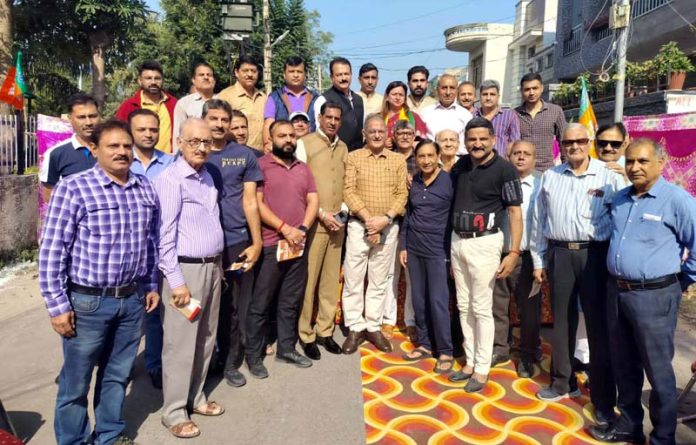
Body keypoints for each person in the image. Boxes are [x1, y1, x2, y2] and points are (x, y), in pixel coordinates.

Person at [39, 120, 160, 445]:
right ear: (95, 150)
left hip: (132, 300)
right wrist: (57, 306)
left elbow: (150, 242)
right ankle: (73, 440)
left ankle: (108, 434)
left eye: (126, 145)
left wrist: (150, 284)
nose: (122, 152)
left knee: (116, 375)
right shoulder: (74, 188)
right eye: (113, 146)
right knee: (75, 383)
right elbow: (52, 250)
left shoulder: (144, 187)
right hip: (87, 303)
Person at [588, 138, 696, 445]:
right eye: (630, 161)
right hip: (617, 293)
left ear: (661, 163)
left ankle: (663, 437)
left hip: (656, 296)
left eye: (643, 161)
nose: (634, 167)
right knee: (624, 364)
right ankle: (629, 426)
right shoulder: (621, 199)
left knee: (658, 371)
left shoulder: (678, 201)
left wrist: (681, 281)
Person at [531, 124, 624, 427]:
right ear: (561, 144)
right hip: (559, 253)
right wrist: (538, 259)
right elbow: (538, 220)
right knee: (562, 322)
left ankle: (602, 398)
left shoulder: (608, 176)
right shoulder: (551, 177)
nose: (574, 146)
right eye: (568, 141)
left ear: (589, 142)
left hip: (594, 255)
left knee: (598, 327)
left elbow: (622, 217)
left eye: (580, 140)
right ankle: (562, 382)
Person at [155, 118, 225, 439]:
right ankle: (173, 411)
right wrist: (177, 281)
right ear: (179, 143)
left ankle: (195, 397)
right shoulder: (170, 180)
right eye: (194, 141)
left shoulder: (208, 176)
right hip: (185, 272)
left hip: (212, 268)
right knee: (180, 343)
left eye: (206, 142)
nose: (200, 147)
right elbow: (164, 236)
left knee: (206, 337)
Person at [447, 117, 523, 393]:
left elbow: (515, 211)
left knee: (481, 308)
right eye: (472, 139)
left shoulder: (505, 170)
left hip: (486, 243)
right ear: (465, 141)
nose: (477, 144)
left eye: (482, 139)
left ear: (492, 139)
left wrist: (513, 251)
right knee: (464, 306)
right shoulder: (461, 165)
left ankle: (481, 368)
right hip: (459, 242)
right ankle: (469, 361)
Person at [245, 120, 319, 377]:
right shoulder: (261, 166)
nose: (288, 140)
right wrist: (285, 228)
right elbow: (257, 203)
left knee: (290, 300)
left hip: (298, 244)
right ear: (271, 139)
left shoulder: (303, 168)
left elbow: (312, 199)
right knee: (261, 302)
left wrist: (303, 229)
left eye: (291, 135)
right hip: (271, 244)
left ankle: (286, 348)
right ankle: (253, 355)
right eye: (282, 136)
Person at [202, 99, 264, 387]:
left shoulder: (243, 155)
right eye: (213, 118)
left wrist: (257, 241)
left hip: (238, 241)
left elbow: (250, 201)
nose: (219, 124)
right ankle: (209, 360)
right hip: (202, 246)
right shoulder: (194, 153)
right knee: (210, 307)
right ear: (204, 120)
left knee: (239, 305)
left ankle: (233, 361)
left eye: (223, 120)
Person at [341, 114, 408, 354]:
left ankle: (372, 326)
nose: (377, 135)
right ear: (364, 134)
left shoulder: (398, 160)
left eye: (381, 131)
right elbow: (348, 191)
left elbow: (403, 194)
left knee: (380, 281)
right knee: (354, 279)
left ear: (387, 134)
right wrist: (370, 221)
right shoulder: (353, 157)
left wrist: (385, 219)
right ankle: (355, 327)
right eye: (372, 131)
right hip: (360, 227)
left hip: (388, 228)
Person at [294, 102, 348, 359]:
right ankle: (306, 333)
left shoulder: (343, 147)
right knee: (310, 279)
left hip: (337, 223)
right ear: (320, 117)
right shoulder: (304, 144)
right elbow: (300, 186)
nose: (333, 122)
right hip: (316, 221)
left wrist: (341, 214)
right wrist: (321, 214)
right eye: (329, 117)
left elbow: (345, 183)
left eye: (337, 118)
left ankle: (325, 331)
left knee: (329, 281)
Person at [127, 109, 174, 390]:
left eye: (152, 129)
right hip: (126, 249)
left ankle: (154, 364)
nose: (148, 134)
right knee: (126, 315)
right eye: (142, 129)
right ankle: (120, 367)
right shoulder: (120, 162)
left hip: (159, 247)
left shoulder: (170, 163)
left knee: (154, 311)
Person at [399, 139, 455, 374]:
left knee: (438, 301)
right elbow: (408, 216)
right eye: (421, 156)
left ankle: (445, 350)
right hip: (414, 249)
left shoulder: (448, 182)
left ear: (438, 155)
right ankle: (424, 343)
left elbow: (454, 217)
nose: (426, 160)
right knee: (419, 300)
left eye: (430, 155)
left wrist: (452, 252)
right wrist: (403, 245)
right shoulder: (415, 181)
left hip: (438, 250)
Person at [490, 140, 542, 378]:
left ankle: (528, 355)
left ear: (534, 158)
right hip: (498, 253)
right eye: (516, 153)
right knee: (497, 305)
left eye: (526, 154)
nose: (521, 157)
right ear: (508, 157)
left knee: (528, 309)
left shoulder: (543, 184)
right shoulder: (499, 180)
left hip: (528, 256)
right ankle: (500, 348)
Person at [381, 120, 418, 341]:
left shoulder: (421, 156)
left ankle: (411, 321)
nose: (404, 136)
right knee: (389, 273)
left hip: (413, 221)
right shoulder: (387, 156)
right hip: (390, 220)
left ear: (415, 135)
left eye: (409, 133)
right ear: (393, 136)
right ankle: (388, 319)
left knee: (410, 274)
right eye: (400, 133)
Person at [40, 93, 100, 202]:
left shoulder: (114, 149)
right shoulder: (56, 154)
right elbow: (49, 197)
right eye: (81, 117)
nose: (88, 122)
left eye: (93, 116)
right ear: (70, 118)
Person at [115, 60, 177, 153]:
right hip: (137, 163)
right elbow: (118, 135)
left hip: (170, 162)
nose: (153, 82)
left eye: (157, 78)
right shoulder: (129, 106)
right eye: (148, 78)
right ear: (140, 81)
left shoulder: (174, 104)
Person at [263, 56, 319, 147]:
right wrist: (268, 145)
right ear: (284, 75)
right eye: (291, 71)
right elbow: (268, 125)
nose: (295, 75)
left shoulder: (316, 98)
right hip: (283, 149)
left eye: (299, 72)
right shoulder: (274, 97)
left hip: (311, 149)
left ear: (305, 75)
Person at [515, 72, 566, 171]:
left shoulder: (555, 111)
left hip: (547, 170)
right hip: (523, 170)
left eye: (535, 88)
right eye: (527, 89)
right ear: (521, 91)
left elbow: (563, 140)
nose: (531, 93)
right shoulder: (515, 114)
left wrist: (566, 167)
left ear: (542, 88)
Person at [313, 57, 365, 151]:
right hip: (335, 153)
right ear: (332, 77)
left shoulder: (358, 100)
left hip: (357, 156)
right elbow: (320, 133)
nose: (344, 78)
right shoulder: (323, 100)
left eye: (346, 74)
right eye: (339, 75)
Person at [217, 55, 266, 151]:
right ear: (237, 72)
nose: (250, 74)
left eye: (253, 71)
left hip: (260, 155)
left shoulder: (264, 98)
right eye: (245, 71)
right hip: (234, 154)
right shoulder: (226, 96)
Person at [421, 74, 473, 154]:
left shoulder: (466, 115)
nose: (448, 92)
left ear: (457, 90)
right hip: (432, 162)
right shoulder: (425, 113)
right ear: (437, 90)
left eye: (452, 88)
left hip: (459, 162)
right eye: (444, 88)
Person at [172, 62, 216, 152]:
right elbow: (178, 134)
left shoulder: (223, 101)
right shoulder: (184, 104)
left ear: (214, 80)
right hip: (193, 153)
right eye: (201, 75)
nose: (206, 77)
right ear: (193, 80)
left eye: (209, 75)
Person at [473, 79, 520, 159]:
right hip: (477, 164)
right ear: (480, 96)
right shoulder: (472, 116)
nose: (488, 98)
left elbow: (515, 144)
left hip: (501, 165)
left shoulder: (509, 116)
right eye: (485, 94)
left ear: (498, 97)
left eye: (492, 94)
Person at [381, 80, 429, 146]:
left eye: (401, 95)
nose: (397, 98)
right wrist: (381, 144)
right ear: (387, 97)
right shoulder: (379, 118)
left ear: (405, 99)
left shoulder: (413, 117)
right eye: (394, 94)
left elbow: (423, 143)